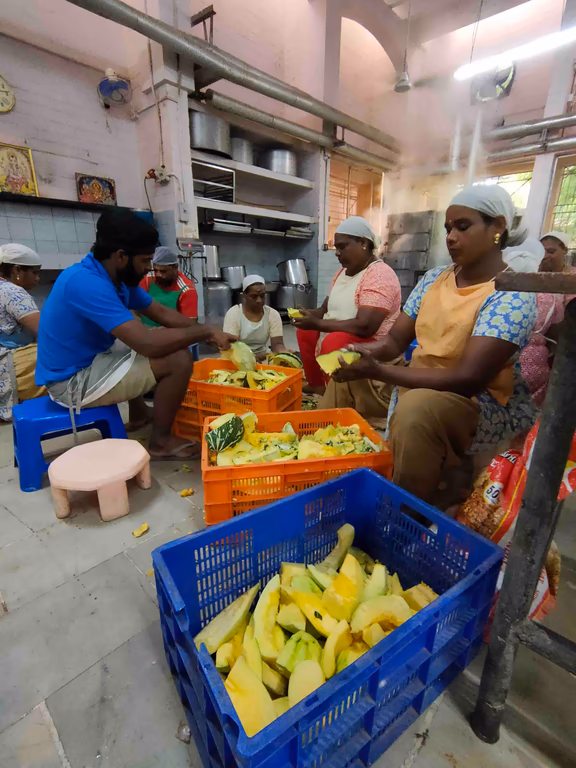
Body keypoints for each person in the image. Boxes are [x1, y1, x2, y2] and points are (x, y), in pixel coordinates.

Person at [330, 185, 537, 504]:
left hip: (479, 404)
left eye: (463, 226)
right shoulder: (434, 279)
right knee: (341, 375)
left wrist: (379, 372)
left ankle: (404, 512)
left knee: (418, 408)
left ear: (497, 227)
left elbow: (468, 379)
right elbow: (393, 342)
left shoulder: (512, 294)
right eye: (448, 228)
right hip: (419, 386)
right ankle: (324, 469)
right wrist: (357, 353)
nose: (451, 237)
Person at [35, 210, 234, 459]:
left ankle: (140, 415)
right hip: (70, 383)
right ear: (120, 256)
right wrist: (203, 331)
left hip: (91, 361)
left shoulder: (114, 278)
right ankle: (160, 443)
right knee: (178, 358)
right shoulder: (86, 283)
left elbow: (159, 311)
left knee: (153, 335)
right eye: (145, 261)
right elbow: (148, 345)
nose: (149, 268)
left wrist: (209, 333)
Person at [293, 216, 401, 395]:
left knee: (335, 341)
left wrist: (319, 324)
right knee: (305, 330)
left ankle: (337, 394)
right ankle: (318, 384)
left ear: (364, 243)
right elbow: (324, 310)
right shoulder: (342, 273)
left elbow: (366, 326)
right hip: (342, 334)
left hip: (373, 343)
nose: (337, 253)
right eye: (336, 248)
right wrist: (305, 315)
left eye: (342, 247)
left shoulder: (380, 275)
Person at [520, 230, 575, 407]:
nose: (545, 256)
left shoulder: (572, 278)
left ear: (565, 251)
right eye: (542, 251)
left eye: (551, 251)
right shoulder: (532, 275)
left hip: (562, 343)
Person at [0, 244, 46, 420]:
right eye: (34, 272)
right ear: (16, 270)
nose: (37, 278)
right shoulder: (13, 292)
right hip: (8, 365)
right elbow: (43, 332)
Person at [223, 275, 287, 360]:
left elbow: (277, 344)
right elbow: (230, 346)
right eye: (253, 296)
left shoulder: (272, 314)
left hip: (263, 357)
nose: (259, 300)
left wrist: (282, 352)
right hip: (237, 358)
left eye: (262, 296)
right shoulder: (234, 314)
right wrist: (251, 358)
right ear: (244, 295)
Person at [139, 246, 198, 326]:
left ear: (175, 267)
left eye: (163, 271)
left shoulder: (187, 290)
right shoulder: (147, 280)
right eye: (155, 270)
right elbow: (134, 307)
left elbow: (190, 326)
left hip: (172, 336)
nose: (158, 275)